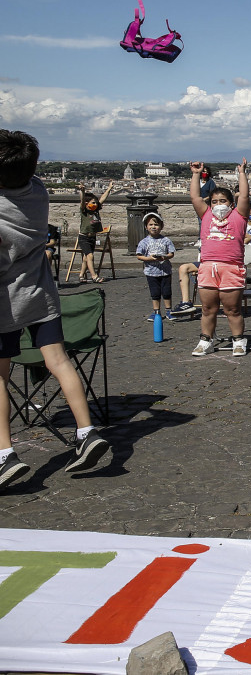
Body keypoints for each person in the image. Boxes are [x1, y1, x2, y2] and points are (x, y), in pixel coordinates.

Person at [0, 129, 111, 489]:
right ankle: (86, 432)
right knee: (60, 362)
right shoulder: (39, 190)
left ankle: (5, 454)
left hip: (6, 299)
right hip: (42, 293)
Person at [189, 159, 250, 357]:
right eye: (214, 201)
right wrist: (196, 174)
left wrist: (241, 173)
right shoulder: (206, 216)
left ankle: (239, 340)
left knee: (232, 309)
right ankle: (206, 339)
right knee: (208, 308)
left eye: (222, 201)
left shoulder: (238, 216)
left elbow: (245, 197)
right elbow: (195, 197)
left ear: (230, 204)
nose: (218, 205)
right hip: (208, 267)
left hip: (231, 267)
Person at [134, 212, 176, 321]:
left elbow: (171, 253)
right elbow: (139, 256)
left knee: (166, 292)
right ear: (146, 227)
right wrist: (150, 258)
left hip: (165, 271)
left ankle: (169, 310)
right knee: (155, 292)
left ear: (161, 226)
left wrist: (164, 257)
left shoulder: (166, 240)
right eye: (151, 225)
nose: (153, 227)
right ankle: (156, 311)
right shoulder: (144, 242)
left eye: (156, 225)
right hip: (151, 272)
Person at [77, 180, 115, 283]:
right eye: (93, 202)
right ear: (87, 203)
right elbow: (82, 201)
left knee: (86, 257)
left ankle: (81, 275)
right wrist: (83, 191)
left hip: (92, 237)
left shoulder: (96, 210)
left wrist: (109, 188)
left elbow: (102, 199)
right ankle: (94, 276)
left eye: (95, 202)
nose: (95, 204)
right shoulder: (84, 211)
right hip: (84, 237)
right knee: (90, 256)